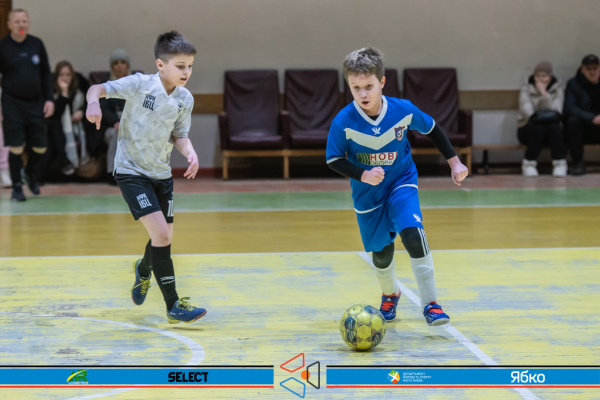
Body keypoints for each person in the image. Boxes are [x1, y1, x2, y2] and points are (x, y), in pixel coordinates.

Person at [327, 48, 468, 326]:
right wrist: (363, 174)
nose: (363, 94)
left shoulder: (402, 110)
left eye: (369, 86)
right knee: (381, 253)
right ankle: (390, 294)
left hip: (402, 181)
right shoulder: (343, 121)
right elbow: (333, 159)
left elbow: (432, 129)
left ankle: (431, 304)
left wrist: (454, 162)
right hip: (368, 193)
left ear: (382, 82)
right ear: (349, 86)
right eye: (356, 88)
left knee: (413, 234)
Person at [86, 31, 205, 324]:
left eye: (190, 66)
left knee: (162, 237)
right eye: (180, 66)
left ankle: (143, 269)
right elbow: (96, 89)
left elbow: (179, 135)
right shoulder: (139, 84)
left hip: (161, 175)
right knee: (162, 236)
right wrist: (93, 104)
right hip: (131, 172)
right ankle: (173, 305)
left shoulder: (185, 98)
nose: (186, 72)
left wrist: (190, 153)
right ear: (160, 64)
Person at [0, 8, 54, 201]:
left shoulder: (36, 44)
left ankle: (30, 172)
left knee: (41, 147)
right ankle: (16, 187)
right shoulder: (3, 46)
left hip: (36, 102)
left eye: (24, 21)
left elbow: (46, 73)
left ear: (28, 23)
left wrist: (50, 99)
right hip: (12, 102)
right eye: (16, 22)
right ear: (9, 25)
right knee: (15, 146)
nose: (21, 25)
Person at [40, 61, 88, 180]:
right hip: (57, 128)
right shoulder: (51, 92)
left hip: (77, 128)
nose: (65, 78)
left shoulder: (79, 92)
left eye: (68, 75)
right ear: (56, 77)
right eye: (61, 75)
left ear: (73, 76)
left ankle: (38, 175)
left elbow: (92, 104)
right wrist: (64, 94)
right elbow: (53, 113)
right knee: (55, 125)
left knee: (54, 135)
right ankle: (63, 159)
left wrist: (82, 111)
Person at [517, 61, 566, 177]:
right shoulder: (526, 88)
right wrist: (540, 116)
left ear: (550, 77)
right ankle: (529, 164)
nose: (540, 79)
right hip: (528, 127)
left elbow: (557, 110)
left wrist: (544, 94)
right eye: (537, 76)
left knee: (553, 125)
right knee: (539, 126)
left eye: (544, 76)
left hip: (551, 129)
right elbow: (526, 111)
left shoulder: (558, 88)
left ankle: (559, 163)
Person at [564, 54, 600, 176]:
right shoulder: (573, 84)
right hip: (584, 127)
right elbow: (569, 108)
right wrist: (591, 118)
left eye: (595, 68)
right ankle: (578, 163)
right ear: (582, 69)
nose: (592, 72)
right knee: (572, 121)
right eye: (588, 69)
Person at [102, 49, 132, 184]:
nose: (119, 66)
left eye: (122, 62)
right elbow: (102, 109)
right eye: (116, 63)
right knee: (117, 134)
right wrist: (115, 122)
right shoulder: (106, 86)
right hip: (112, 128)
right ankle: (113, 172)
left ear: (127, 65)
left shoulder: (137, 85)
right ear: (112, 67)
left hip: (133, 126)